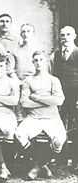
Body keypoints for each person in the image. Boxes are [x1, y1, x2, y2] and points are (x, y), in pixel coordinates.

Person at [15, 51, 66, 180]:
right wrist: (48, 101)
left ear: (46, 61)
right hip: (34, 118)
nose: (38, 62)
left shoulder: (54, 80)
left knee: (60, 140)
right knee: (19, 134)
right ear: (33, 62)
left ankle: (38, 166)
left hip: (52, 118)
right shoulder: (28, 81)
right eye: (36, 60)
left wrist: (36, 97)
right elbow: (25, 103)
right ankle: (43, 166)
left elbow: (59, 100)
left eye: (41, 60)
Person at [52, 26, 78, 172]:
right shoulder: (57, 54)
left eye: (68, 35)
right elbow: (55, 76)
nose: (65, 37)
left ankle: (76, 161)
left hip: (75, 97)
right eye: (62, 35)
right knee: (60, 127)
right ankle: (62, 159)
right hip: (60, 98)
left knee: (76, 128)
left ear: (74, 36)